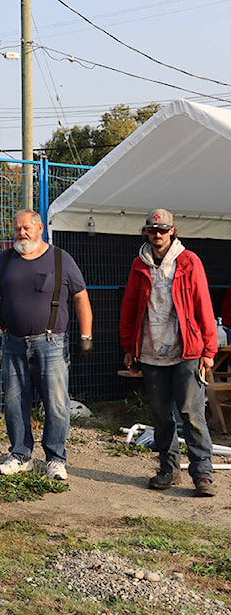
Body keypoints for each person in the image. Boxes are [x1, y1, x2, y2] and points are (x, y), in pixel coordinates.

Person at [0, 209, 93, 481]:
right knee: (14, 402)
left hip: (50, 343)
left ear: (39, 229)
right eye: (17, 229)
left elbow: (81, 298)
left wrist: (86, 336)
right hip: (12, 343)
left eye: (26, 228)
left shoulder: (60, 259)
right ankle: (20, 455)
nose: (21, 233)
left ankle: (56, 459)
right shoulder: (5, 260)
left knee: (56, 404)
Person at [120, 208, 217, 497]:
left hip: (187, 351)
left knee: (192, 414)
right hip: (150, 353)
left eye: (163, 230)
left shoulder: (189, 262)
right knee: (162, 415)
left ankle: (202, 474)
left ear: (173, 231)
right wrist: (129, 347)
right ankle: (168, 469)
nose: (158, 234)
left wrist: (208, 350)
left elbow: (203, 305)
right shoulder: (139, 265)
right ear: (146, 232)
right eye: (152, 230)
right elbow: (129, 308)